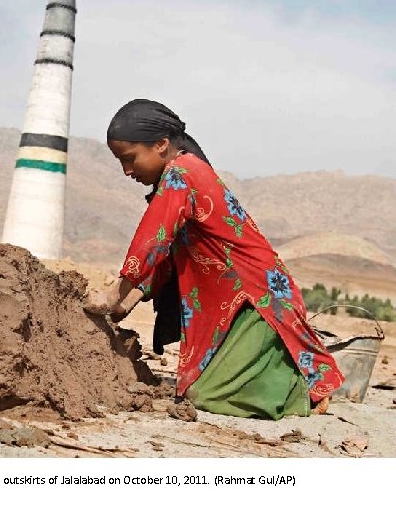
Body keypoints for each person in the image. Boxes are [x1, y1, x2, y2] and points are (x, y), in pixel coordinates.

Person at [85, 99, 343, 419]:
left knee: (205, 395)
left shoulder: (183, 173)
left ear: (162, 145)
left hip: (256, 303)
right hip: (237, 305)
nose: (126, 171)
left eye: (130, 158)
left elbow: (152, 241)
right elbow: (166, 257)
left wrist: (111, 295)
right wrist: (125, 302)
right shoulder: (184, 172)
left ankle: (303, 390)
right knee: (198, 389)